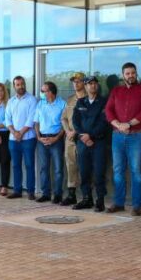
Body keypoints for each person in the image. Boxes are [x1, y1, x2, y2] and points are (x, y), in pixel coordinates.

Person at [105, 62, 141, 216]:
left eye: (133, 73)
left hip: (136, 135)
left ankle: (136, 205)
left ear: (136, 73)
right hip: (117, 136)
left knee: (135, 170)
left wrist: (128, 124)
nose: (130, 76)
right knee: (118, 170)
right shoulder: (116, 91)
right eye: (127, 73)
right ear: (123, 75)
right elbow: (108, 109)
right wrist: (117, 124)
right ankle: (119, 203)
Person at [72, 76, 109, 212]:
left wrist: (90, 136)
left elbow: (104, 122)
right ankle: (87, 198)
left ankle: (100, 200)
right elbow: (75, 121)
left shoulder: (104, 102)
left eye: (94, 83)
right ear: (85, 87)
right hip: (83, 142)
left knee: (99, 172)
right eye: (89, 84)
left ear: (97, 86)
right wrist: (83, 136)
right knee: (84, 171)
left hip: (98, 142)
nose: (92, 86)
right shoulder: (81, 102)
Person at [4, 76, 38, 200]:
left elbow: (31, 119)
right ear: (14, 86)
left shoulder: (32, 100)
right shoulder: (11, 101)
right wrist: (14, 132)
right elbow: (7, 119)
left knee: (29, 165)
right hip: (13, 140)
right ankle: (17, 190)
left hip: (28, 138)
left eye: (22, 84)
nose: (21, 86)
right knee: (16, 165)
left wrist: (21, 133)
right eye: (18, 84)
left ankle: (30, 191)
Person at [34, 81, 66, 203]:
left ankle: (58, 194)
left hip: (56, 140)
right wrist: (38, 137)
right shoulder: (40, 104)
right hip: (42, 139)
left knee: (58, 169)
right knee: (44, 168)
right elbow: (36, 122)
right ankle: (45, 193)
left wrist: (56, 138)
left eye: (43, 91)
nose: (41, 93)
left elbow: (65, 124)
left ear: (51, 92)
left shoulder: (62, 104)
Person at [60, 72, 86, 206]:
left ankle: (86, 196)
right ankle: (71, 195)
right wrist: (67, 131)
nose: (76, 83)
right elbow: (63, 118)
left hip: (83, 137)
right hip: (70, 138)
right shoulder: (70, 100)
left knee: (85, 167)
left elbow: (88, 120)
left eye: (79, 81)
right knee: (70, 165)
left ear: (84, 82)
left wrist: (76, 131)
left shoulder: (89, 98)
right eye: (74, 81)